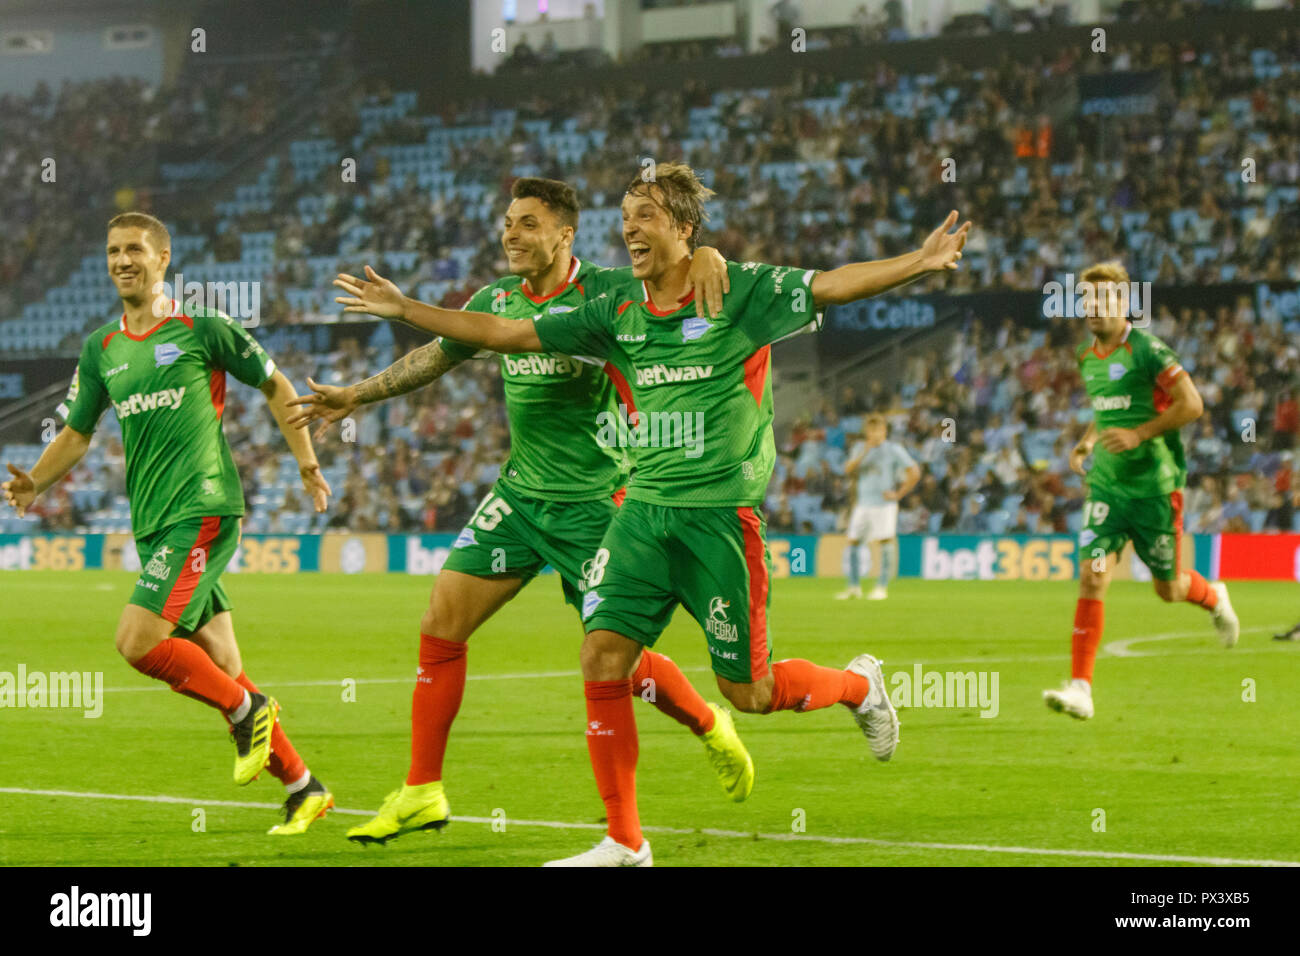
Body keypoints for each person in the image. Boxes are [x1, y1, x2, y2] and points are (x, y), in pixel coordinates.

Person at [333, 163, 971, 865]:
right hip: (640, 512)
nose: (631, 229)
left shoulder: (733, 290)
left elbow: (830, 283)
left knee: (750, 690)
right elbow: (500, 333)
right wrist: (406, 311)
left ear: (683, 228)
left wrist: (921, 260)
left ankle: (857, 684)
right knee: (602, 658)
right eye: (627, 216)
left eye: (646, 216)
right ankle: (625, 841)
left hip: (713, 518)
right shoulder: (615, 312)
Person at [288, 178, 753, 844]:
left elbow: (684, 277)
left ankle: (710, 723)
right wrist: (358, 394)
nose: (510, 234)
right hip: (520, 498)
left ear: (565, 234)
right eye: (507, 222)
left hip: (597, 504)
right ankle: (423, 790)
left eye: (527, 223)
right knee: (441, 622)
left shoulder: (610, 293)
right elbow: (437, 355)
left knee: (619, 658)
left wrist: (711, 258)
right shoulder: (495, 300)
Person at [2, 212, 334, 834]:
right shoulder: (102, 348)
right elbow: (76, 432)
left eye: (133, 249)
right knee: (222, 662)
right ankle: (301, 784)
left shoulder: (203, 326)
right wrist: (36, 482)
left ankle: (246, 712)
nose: (121, 260)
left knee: (137, 640)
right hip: (154, 522)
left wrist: (307, 462)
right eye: (111, 251)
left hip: (202, 510)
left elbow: (275, 384)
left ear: (162, 257)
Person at [1043, 261, 1239, 721]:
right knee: (1093, 577)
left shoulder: (1149, 350)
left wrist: (1141, 433)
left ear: (1125, 302)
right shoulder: (1086, 356)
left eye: (1104, 299)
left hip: (1155, 490)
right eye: (1087, 300)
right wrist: (1089, 440)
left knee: (1168, 589)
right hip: (1107, 490)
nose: (1094, 308)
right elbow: (1108, 407)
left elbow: (1193, 405)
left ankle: (1214, 597)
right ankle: (1081, 689)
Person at [836, 413, 920, 600]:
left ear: (884, 431)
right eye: (870, 429)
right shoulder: (859, 447)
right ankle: (853, 587)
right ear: (866, 431)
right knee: (853, 542)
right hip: (863, 503)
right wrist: (865, 451)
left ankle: (881, 587)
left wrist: (899, 494)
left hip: (884, 504)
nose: (874, 433)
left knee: (885, 541)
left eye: (878, 429)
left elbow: (914, 471)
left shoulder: (893, 449)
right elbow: (847, 470)